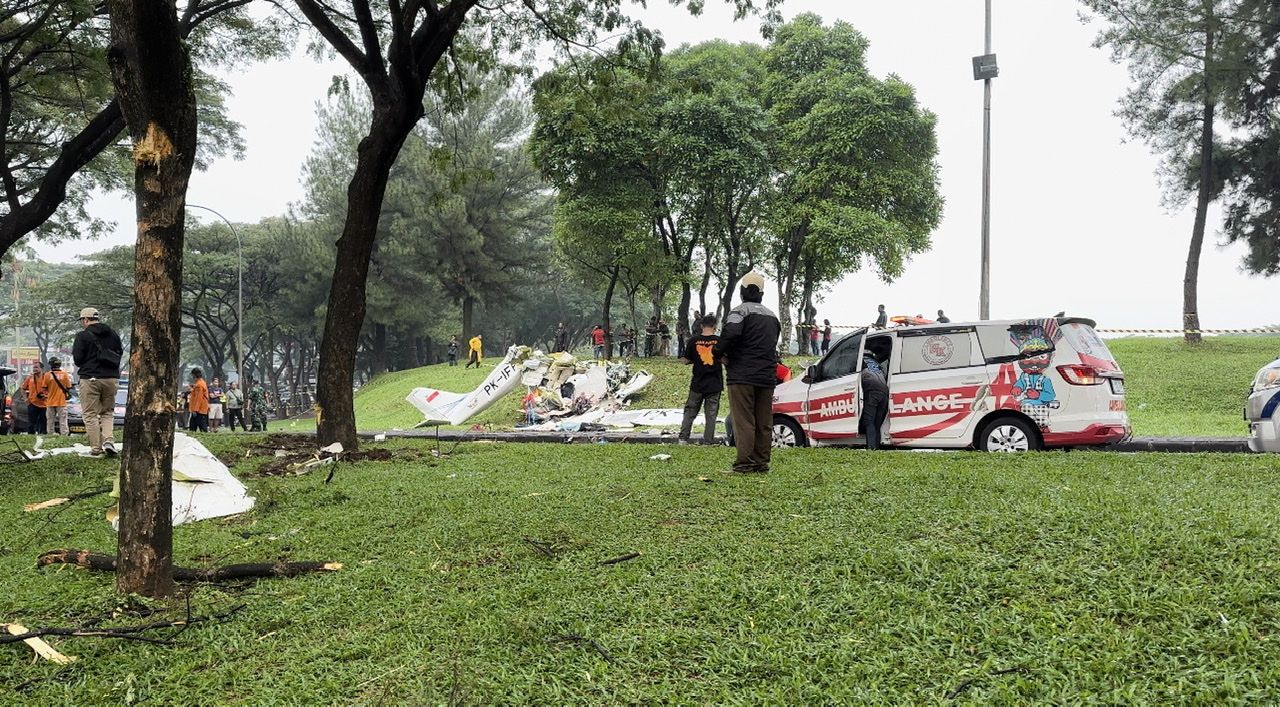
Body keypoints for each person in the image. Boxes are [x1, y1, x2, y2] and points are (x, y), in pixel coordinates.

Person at [715, 272, 781, 474]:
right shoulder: (772, 316)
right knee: (763, 421)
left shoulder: (738, 312)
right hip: (766, 376)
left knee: (744, 421)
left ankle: (744, 464)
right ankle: (761, 462)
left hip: (741, 376)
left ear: (742, 292)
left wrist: (719, 351)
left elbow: (732, 333)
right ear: (761, 294)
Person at [72, 307, 123, 457]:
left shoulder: (82, 336)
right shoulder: (113, 334)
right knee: (107, 412)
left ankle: (96, 448)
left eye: (82, 321)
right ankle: (108, 441)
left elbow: (78, 360)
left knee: (90, 414)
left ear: (85, 320)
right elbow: (119, 353)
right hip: (111, 378)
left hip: (90, 378)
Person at [678, 315, 723, 444]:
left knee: (690, 411)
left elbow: (687, 360)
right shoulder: (719, 341)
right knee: (711, 414)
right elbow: (725, 359)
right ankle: (708, 441)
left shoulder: (693, 341)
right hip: (714, 383)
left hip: (697, 383)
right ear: (715, 326)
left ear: (701, 326)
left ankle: (683, 439)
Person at [859, 353, 890, 450]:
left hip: (871, 391)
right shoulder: (877, 364)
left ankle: (871, 448)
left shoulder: (860, 361)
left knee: (869, 422)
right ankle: (876, 447)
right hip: (884, 392)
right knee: (877, 423)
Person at [41, 358, 74, 436]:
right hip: (61, 402)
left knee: (50, 420)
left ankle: (50, 434)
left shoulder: (47, 375)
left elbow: (44, 388)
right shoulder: (65, 374)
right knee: (63, 420)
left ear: (51, 365)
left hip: (50, 401)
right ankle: (64, 435)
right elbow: (68, 387)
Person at [21, 362, 48, 435]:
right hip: (32, 403)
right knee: (31, 422)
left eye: (36, 367)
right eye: (34, 367)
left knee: (44, 422)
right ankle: (31, 436)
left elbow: (52, 389)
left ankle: (43, 435)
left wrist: (47, 396)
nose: (34, 369)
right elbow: (22, 388)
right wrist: (25, 399)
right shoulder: (30, 377)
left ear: (41, 368)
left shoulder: (46, 377)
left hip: (45, 404)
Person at [187, 368, 210, 432]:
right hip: (200, 409)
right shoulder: (201, 383)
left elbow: (198, 398)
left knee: (201, 428)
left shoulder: (199, 385)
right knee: (193, 427)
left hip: (199, 410)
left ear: (194, 375)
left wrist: (195, 410)